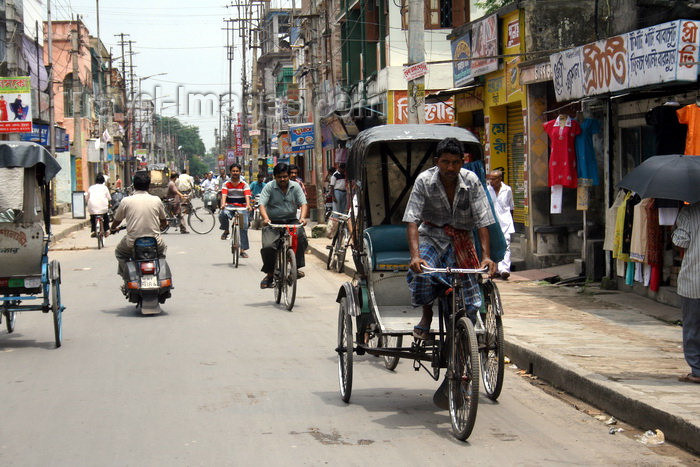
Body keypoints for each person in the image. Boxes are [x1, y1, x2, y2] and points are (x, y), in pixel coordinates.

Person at [404, 137, 496, 340]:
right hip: (431, 237)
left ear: (462, 162)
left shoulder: (471, 180)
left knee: (471, 300)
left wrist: (486, 256)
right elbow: (412, 220)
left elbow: (482, 220)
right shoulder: (424, 180)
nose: (450, 167)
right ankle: (427, 314)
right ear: (437, 161)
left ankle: (464, 338)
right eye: (445, 162)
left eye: (455, 162)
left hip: (462, 240)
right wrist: (415, 256)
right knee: (422, 274)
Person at [258, 163, 309, 288]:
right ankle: (270, 274)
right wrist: (265, 218)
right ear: (275, 177)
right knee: (268, 246)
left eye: (285, 176)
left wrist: (302, 217)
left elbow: (303, 203)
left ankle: (295, 269)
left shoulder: (295, 186)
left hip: (291, 220)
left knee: (301, 237)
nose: (282, 179)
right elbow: (262, 205)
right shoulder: (269, 187)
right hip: (272, 222)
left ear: (288, 176)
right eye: (279, 177)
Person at [111, 171, 167, 278]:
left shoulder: (126, 201)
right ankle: (160, 274)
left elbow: (117, 220)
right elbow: (163, 221)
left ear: (134, 185)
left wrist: (113, 228)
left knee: (119, 252)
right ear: (148, 185)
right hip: (155, 243)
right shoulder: (156, 200)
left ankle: (127, 276)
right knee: (162, 253)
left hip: (132, 243)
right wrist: (161, 226)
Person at [673, 202, 700, 384]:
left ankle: (697, 370)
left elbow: (680, 241)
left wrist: (675, 228)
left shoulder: (689, 212)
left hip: (694, 280)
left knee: (693, 327)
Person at [219, 164, 252, 258]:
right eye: (233, 171)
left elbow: (247, 195)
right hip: (229, 207)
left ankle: (242, 250)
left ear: (240, 172)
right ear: (230, 172)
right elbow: (224, 195)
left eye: (237, 171)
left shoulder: (244, 184)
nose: (235, 173)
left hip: (242, 208)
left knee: (244, 227)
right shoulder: (226, 184)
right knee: (222, 215)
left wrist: (248, 205)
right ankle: (226, 230)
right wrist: (223, 204)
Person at [487, 170, 515, 280]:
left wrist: (510, 221)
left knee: (506, 245)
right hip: (493, 222)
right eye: (490, 179)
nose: (491, 181)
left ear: (499, 179)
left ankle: (505, 270)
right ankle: (496, 269)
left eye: (493, 179)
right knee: (494, 245)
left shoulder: (507, 189)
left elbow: (511, 207)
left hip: (505, 222)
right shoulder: (487, 190)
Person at [86, 173, 111, 238]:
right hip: (103, 208)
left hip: (92, 207)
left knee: (92, 217)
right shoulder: (105, 188)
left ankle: (94, 230)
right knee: (105, 217)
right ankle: (106, 230)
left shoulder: (91, 187)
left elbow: (87, 198)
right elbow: (109, 198)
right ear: (103, 181)